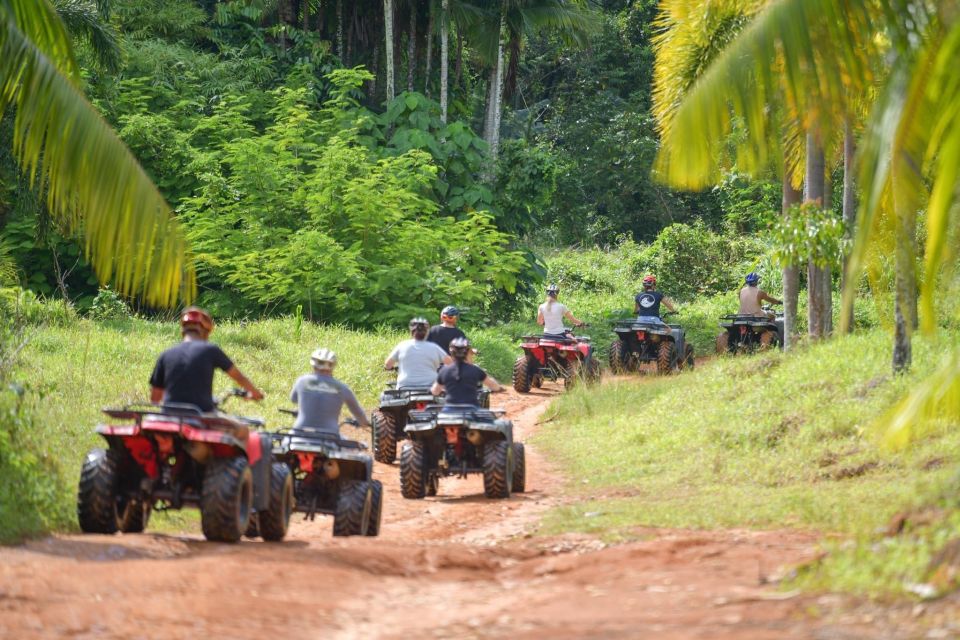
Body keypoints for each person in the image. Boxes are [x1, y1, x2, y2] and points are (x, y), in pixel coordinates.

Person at [149, 307, 263, 412]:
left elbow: (155, 398)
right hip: (201, 417)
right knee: (243, 429)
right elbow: (239, 377)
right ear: (205, 332)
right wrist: (255, 393)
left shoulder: (166, 354)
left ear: (183, 330)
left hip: (169, 418)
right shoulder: (210, 350)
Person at [289, 348, 369, 436]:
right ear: (333, 365)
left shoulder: (302, 381)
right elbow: (359, 414)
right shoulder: (342, 387)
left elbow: (293, 399)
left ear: (313, 364)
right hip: (330, 436)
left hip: (299, 433)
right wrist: (364, 422)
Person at [384, 317, 452, 389]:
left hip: (405, 387)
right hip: (431, 387)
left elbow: (387, 364)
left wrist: (390, 368)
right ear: (427, 332)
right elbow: (451, 364)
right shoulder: (434, 347)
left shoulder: (402, 345)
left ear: (411, 332)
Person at [432, 337, 504, 405]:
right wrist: (499, 387)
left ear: (452, 353)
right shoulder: (475, 370)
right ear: (467, 353)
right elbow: (494, 386)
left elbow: (435, 391)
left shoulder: (444, 371)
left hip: (449, 409)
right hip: (471, 409)